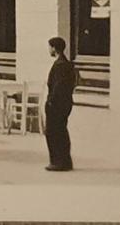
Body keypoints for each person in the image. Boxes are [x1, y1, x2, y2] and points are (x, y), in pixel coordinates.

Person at [44, 36, 77, 171]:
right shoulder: (65, 64)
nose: (49, 50)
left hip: (57, 105)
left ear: (54, 48)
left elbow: (59, 87)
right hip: (63, 103)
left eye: (49, 47)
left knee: (53, 132)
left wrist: (51, 102)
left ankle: (59, 161)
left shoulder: (60, 65)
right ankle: (64, 161)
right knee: (61, 131)